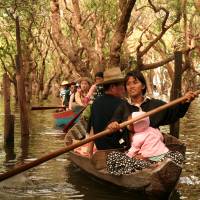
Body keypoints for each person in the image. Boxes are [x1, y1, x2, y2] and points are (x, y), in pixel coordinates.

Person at [106, 70, 198, 175]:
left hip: (155, 154)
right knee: (112, 159)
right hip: (134, 156)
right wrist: (112, 126)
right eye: (128, 84)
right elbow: (112, 124)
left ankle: (154, 165)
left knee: (177, 156)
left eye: (135, 82)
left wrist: (185, 102)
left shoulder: (155, 104)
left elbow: (174, 113)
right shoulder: (123, 107)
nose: (131, 86)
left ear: (143, 86)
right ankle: (148, 167)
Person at [89, 67, 129, 150]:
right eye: (121, 85)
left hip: (101, 149)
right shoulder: (122, 104)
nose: (124, 88)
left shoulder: (95, 102)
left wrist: (89, 150)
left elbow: (92, 129)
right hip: (119, 148)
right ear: (112, 87)